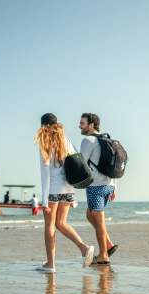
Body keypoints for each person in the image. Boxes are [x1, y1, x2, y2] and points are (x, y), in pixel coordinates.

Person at [35, 113, 95, 273]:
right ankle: (83, 248)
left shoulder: (45, 143)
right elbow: (78, 160)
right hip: (68, 189)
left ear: (43, 126)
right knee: (61, 223)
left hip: (53, 190)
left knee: (50, 225)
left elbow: (45, 173)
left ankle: (50, 264)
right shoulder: (66, 140)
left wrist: (44, 201)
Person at [79, 113, 119, 265]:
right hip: (108, 185)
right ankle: (108, 244)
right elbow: (111, 166)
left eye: (82, 123)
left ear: (91, 125)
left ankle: (103, 255)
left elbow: (81, 164)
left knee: (99, 221)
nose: (79, 126)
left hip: (96, 186)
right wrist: (114, 187)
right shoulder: (106, 139)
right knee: (90, 215)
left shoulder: (88, 140)